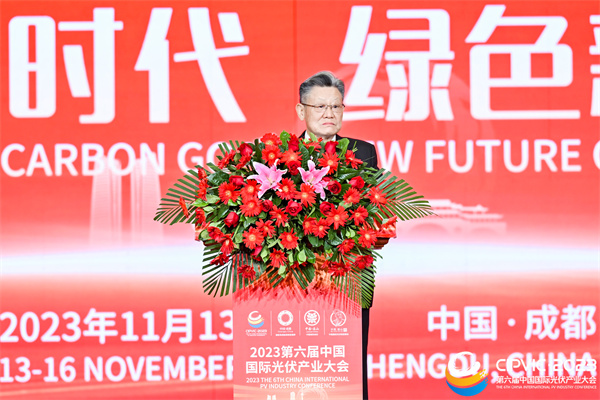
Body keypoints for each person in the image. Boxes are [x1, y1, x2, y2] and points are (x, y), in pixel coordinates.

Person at [296, 71, 379, 400]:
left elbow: (374, 211)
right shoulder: (278, 154)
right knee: (295, 365)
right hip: (293, 279)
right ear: (301, 110)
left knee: (347, 368)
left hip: (348, 276)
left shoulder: (363, 152)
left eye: (336, 106)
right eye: (320, 107)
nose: (329, 113)